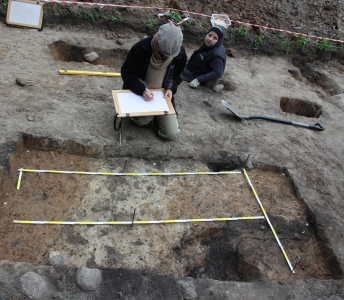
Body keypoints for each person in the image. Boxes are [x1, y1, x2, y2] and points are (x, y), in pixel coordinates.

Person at [120, 21, 187, 141]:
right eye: (163, 52)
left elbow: (177, 76)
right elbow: (127, 73)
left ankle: (156, 119)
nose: (166, 57)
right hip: (139, 93)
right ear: (157, 42)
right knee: (142, 120)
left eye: (170, 55)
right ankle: (150, 118)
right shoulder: (141, 48)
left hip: (162, 98)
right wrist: (142, 90)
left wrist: (171, 87)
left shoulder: (180, 54)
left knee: (170, 134)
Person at [180, 25, 226, 92]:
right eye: (210, 35)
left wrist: (199, 79)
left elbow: (218, 72)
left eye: (214, 38)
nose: (210, 39)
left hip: (198, 75)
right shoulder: (210, 45)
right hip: (193, 69)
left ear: (219, 41)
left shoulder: (217, 55)